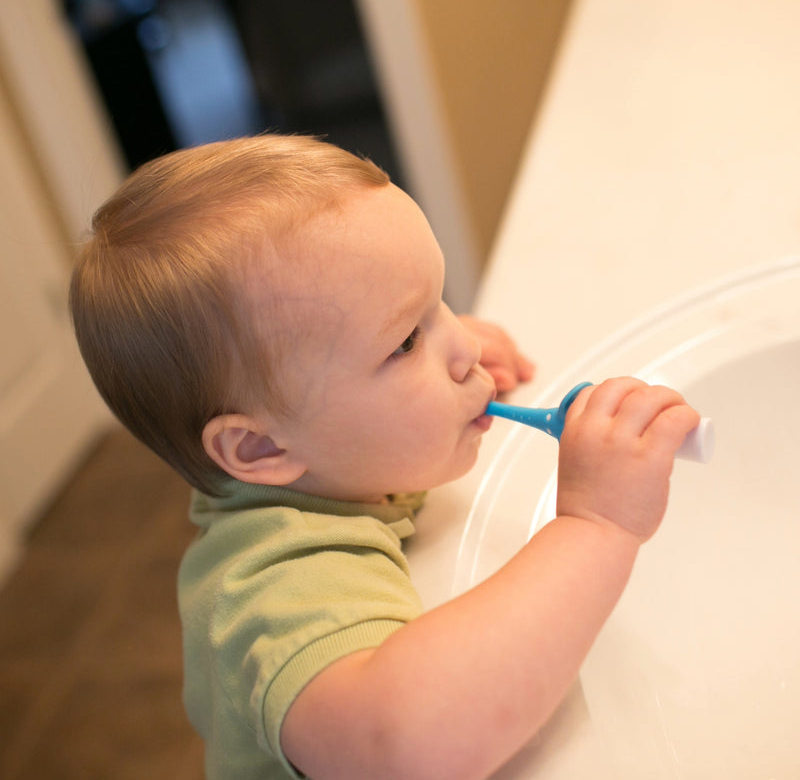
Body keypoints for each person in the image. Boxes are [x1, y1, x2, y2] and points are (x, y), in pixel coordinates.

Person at [69, 134, 699, 780]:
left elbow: (335, 397)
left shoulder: (317, 452)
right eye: (404, 341)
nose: (462, 348)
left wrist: (418, 347)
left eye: (440, 302)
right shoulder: (276, 591)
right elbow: (412, 746)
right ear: (259, 446)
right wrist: (595, 526)